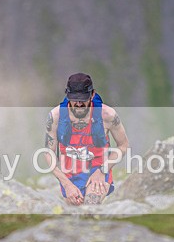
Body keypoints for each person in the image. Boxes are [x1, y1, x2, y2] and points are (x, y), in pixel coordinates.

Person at [43, 73, 130, 206]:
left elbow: (123, 146)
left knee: (90, 206)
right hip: (69, 177)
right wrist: (66, 184)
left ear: (92, 94)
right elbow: (49, 153)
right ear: (67, 95)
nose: (78, 104)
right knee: (75, 215)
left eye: (83, 99)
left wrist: (102, 171)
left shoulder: (107, 115)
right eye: (74, 99)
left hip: (98, 172)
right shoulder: (55, 117)